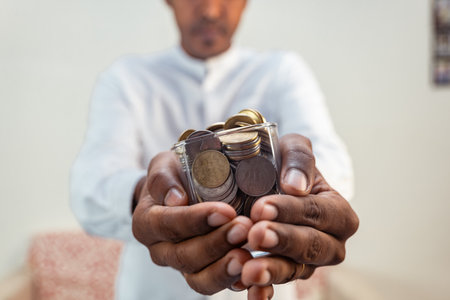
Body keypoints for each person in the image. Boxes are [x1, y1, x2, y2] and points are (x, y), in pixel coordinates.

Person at [70, 0, 359, 299]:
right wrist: (146, 192)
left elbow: (335, 167)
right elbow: (90, 191)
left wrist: (304, 183)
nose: (209, 10)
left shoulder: (282, 71)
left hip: (261, 278)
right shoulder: (125, 78)